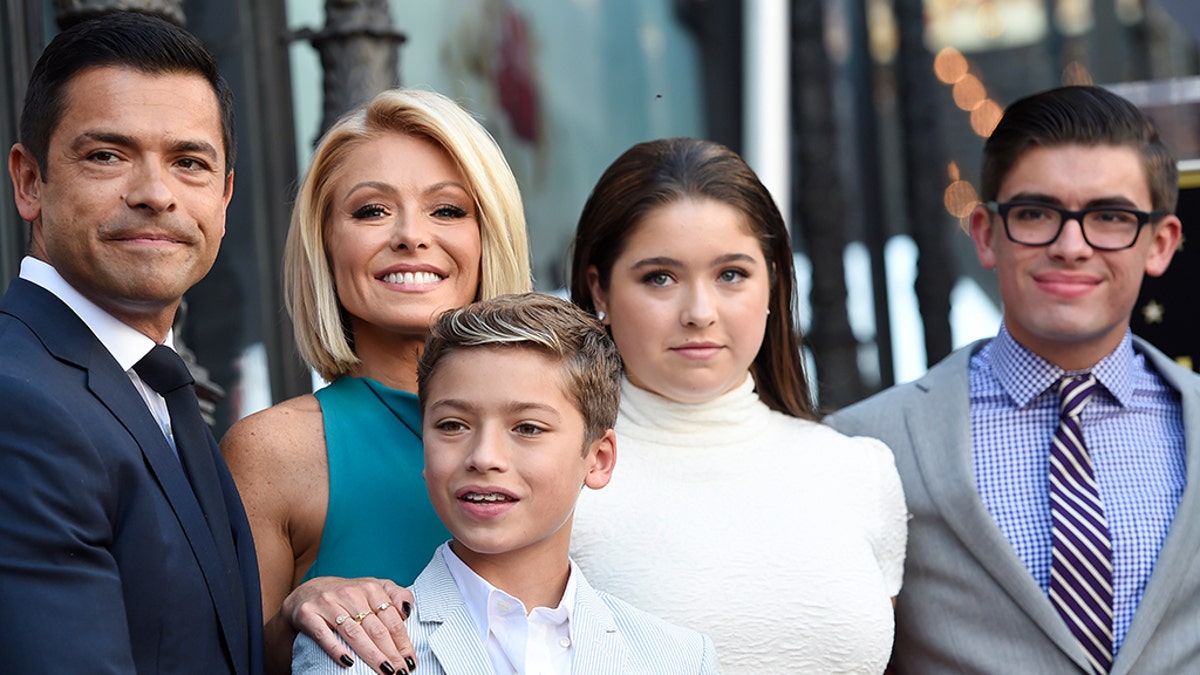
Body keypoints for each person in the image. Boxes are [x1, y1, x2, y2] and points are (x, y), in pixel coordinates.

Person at [826, 85, 1200, 674]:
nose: (1070, 246)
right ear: (984, 234)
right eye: (1036, 214)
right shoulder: (865, 443)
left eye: (1109, 217)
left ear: (1160, 243)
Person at [567, 137, 908, 673]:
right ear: (599, 289)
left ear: (771, 282)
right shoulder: (553, 481)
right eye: (660, 277)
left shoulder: (859, 471)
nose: (699, 312)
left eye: (731, 274)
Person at [222, 87, 532, 674]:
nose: (411, 236)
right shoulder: (276, 451)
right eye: (371, 210)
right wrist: (298, 611)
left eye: (448, 210)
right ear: (326, 242)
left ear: (489, 233)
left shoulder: (573, 430)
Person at [0, 11, 262, 672]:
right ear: (29, 181)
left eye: (189, 162)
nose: (155, 194)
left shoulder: (154, 385)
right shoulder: (18, 403)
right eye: (107, 155)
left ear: (225, 197)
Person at [292, 292, 721, 674]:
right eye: (453, 425)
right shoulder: (351, 655)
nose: (484, 457)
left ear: (599, 458)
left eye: (528, 428)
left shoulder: (679, 658)